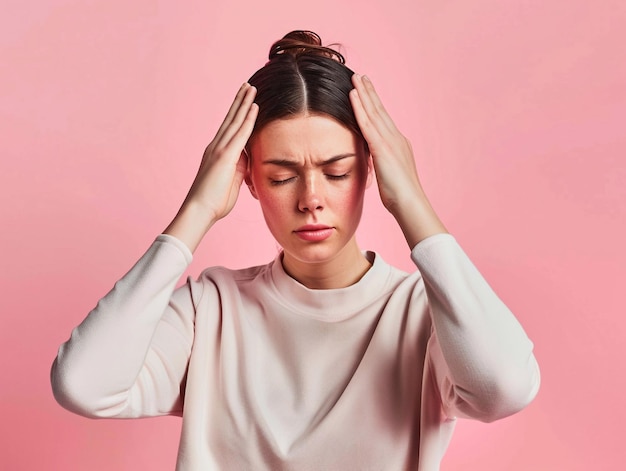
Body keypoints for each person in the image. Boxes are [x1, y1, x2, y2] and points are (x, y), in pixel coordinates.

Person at [51, 30, 540, 470]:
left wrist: (411, 202)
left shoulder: (423, 314)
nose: (310, 200)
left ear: (372, 170)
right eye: (282, 176)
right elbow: (83, 385)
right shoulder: (212, 308)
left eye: (337, 172)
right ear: (249, 178)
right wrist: (197, 210)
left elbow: (503, 389)